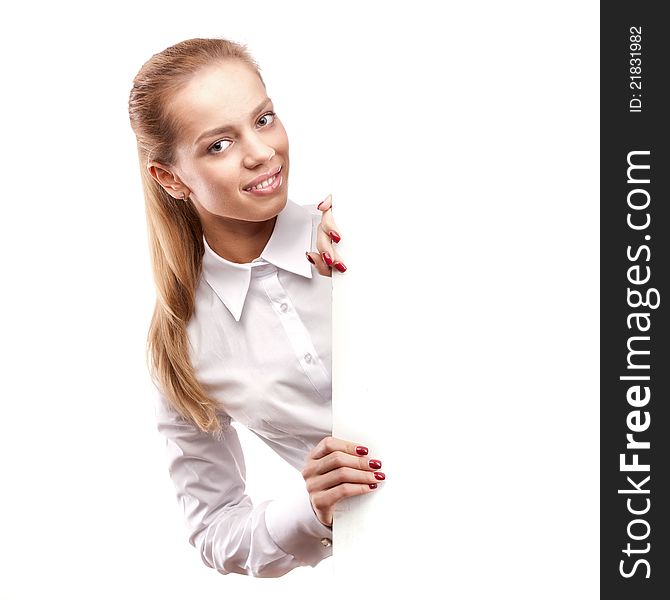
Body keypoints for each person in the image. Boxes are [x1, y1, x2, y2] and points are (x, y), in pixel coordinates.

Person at [127, 38, 385, 578]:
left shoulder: (363, 228)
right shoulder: (182, 345)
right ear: (170, 178)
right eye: (218, 145)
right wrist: (310, 509)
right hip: (397, 563)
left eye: (263, 119)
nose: (261, 152)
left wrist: (389, 228)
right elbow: (214, 527)